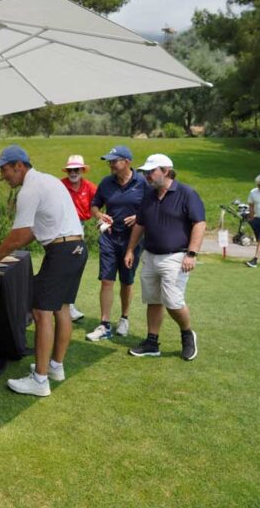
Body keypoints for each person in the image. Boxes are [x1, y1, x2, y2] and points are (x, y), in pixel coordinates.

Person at [0, 145, 87, 397]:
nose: (3, 176)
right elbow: (36, 229)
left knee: (40, 311)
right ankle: (55, 367)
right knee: (63, 308)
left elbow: (20, 236)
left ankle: (40, 380)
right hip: (77, 248)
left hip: (62, 252)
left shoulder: (29, 189)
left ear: (19, 166)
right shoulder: (48, 181)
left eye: (5, 170)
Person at [124, 154, 205, 361]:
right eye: (145, 172)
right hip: (150, 255)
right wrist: (130, 249)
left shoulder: (186, 193)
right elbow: (140, 224)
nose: (146, 176)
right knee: (153, 300)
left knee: (172, 301)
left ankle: (187, 335)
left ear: (166, 171)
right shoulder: (148, 196)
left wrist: (192, 253)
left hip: (176, 256)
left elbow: (199, 223)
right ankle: (152, 342)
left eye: (151, 172)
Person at [85, 145, 147, 342]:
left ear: (127, 162)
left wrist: (138, 217)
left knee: (127, 281)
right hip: (109, 238)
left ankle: (124, 318)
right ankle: (104, 324)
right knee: (106, 280)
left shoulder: (143, 182)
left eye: (115, 161)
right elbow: (95, 205)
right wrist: (99, 215)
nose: (111, 164)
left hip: (133, 240)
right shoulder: (106, 183)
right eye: (109, 161)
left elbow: (153, 207)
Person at [60, 154, 97, 322]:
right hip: (62, 229)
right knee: (67, 267)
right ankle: (67, 305)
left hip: (79, 228)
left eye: (76, 169)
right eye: (70, 170)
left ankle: (67, 304)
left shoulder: (89, 187)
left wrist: (101, 217)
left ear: (82, 170)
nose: (73, 172)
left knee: (74, 267)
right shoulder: (60, 185)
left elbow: (98, 204)